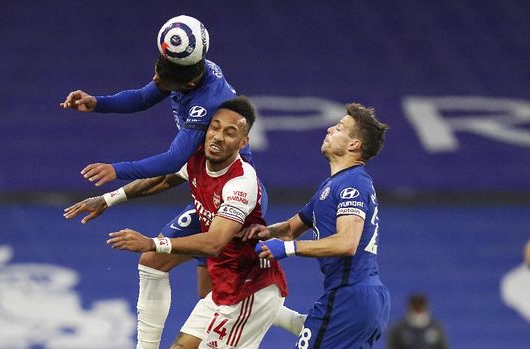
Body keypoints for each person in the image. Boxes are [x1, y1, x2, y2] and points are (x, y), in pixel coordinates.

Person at [60, 15, 303, 348]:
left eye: (165, 79)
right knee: (169, 272)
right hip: (205, 185)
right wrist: (98, 103)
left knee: (215, 291)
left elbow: (172, 164)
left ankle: (300, 323)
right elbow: (146, 99)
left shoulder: (207, 108)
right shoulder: (190, 69)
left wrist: (117, 170)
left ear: (188, 84)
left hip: (230, 200)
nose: (157, 79)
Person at [102, 96, 288, 349]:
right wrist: (109, 199)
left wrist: (152, 243)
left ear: (243, 143)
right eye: (215, 127)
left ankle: (299, 322)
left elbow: (213, 243)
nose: (218, 137)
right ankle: (298, 322)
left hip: (249, 288)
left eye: (230, 133)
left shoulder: (241, 182)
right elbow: (160, 180)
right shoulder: (196, 159)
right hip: (224, 285)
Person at [240, 103, 391, 348]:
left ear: (354, 145)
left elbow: (347, 242)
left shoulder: (353, 184)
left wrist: (288, 249)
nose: (330, 128)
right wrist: (267, 232)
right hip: (361, 299)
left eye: (340, 128)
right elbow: (291, 227)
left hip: (350, 296)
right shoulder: (332, 185)